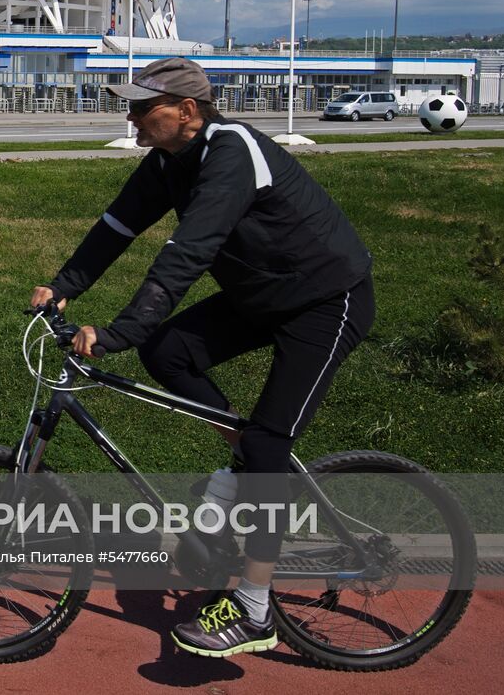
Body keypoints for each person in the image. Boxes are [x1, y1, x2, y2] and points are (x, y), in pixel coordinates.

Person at [29, 57, 375, 660]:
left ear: (186, 111)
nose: (130, 116)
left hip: (326, 299)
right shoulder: (166, 162)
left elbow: (187, 253)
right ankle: (244, 469)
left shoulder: (232, 151)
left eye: (141, 107)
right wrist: (65, 286)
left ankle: (254, 608)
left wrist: (121, 331)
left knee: (270, 444)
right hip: (261, 297)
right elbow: (116, 227)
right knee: (171, 352)